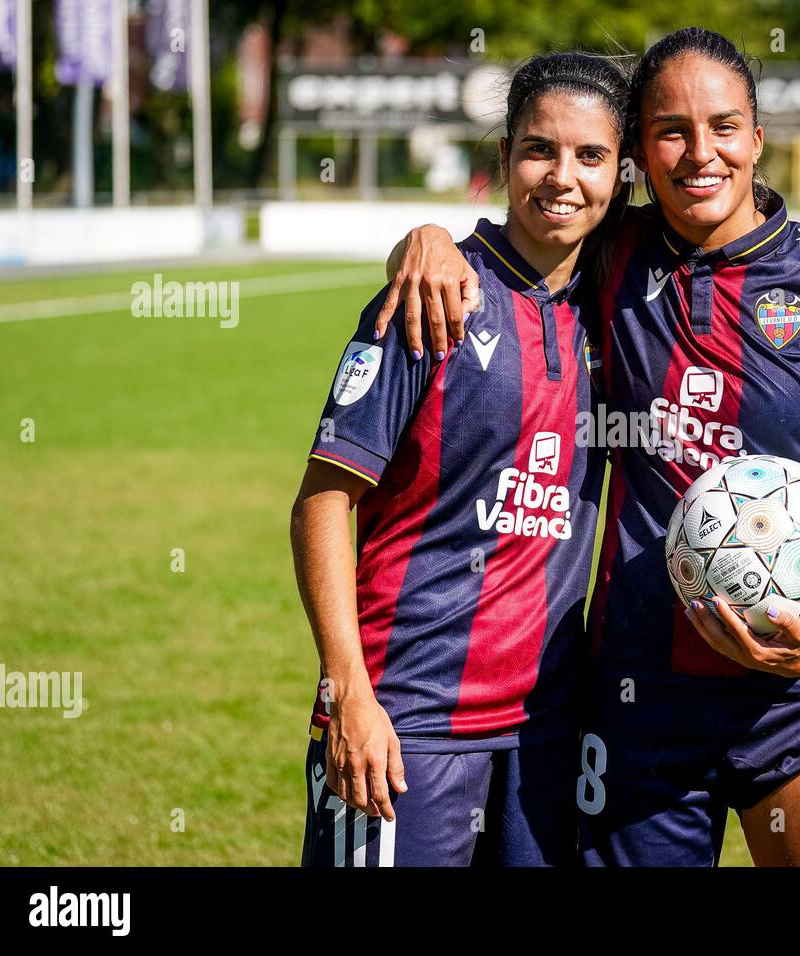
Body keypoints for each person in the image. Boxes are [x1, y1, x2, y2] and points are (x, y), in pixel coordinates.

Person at [376, 28, 800, 866]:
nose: (701, 153)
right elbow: (517, 244)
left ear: (757, 138)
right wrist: (425, 238)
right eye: (671, 130)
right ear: (638, 153)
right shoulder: (612, 252)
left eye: (724, 127)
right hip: (639, 693)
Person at [290, 51, 629, 866]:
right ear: (505, 156)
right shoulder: (430, 297)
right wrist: (348, 695)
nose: (562, 177)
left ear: (622, 174)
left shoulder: (616, 308)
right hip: (404, 723)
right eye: (539, 149)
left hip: (548, 736)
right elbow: (321, 501)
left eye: (591, 156)